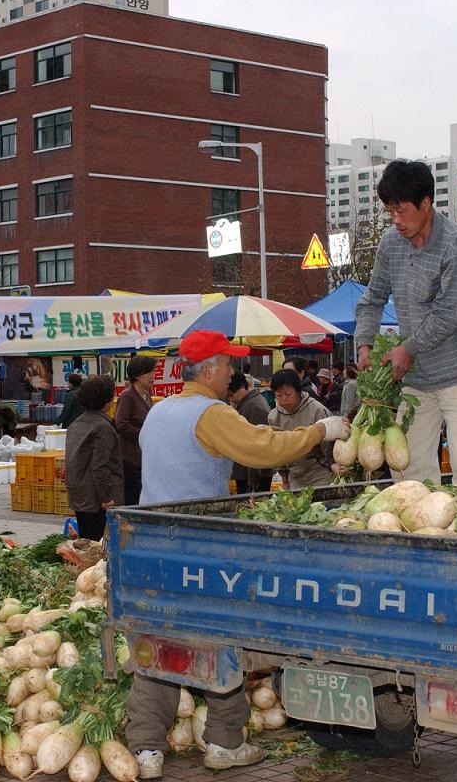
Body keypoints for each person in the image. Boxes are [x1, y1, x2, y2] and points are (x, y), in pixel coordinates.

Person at [127, 330, 350, 778]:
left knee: (158, 642)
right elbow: (264, 448)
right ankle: (225, 744)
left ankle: (146, 749)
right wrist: (321, 430)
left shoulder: (158, 411)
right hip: (201, 546)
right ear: (208, 368)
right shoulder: (211, 413)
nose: (233, 371)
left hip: (150, 544)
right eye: (228, 363)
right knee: (218, 641)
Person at [354, 158, 457, 486]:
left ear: (425, 203)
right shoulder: (390, 243)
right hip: (417, 381)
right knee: (407, 470)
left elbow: (449, 315)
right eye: (390, 211)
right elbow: (372, 299)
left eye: (401, 210)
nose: (395, 220)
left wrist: (407, 348)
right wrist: (364, 343)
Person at [64, 375, 123, 540]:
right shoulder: (102, 427)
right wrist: (107, 497)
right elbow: (100, 465)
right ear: (106, 399)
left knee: (86, 541)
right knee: (98, 546)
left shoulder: (77, 423)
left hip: (80, 494)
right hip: (97, 498)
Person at [268, 369, 335, 489]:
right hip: (296, 478)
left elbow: (330, 446)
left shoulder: (317, 410)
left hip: (320, 474)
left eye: (288, 394)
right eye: (279, 395)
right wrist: (285, 481)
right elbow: (278, 451)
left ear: (298, 392)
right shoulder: (273, 417)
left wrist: (333, 465)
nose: (283, 399)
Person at [114, 355, 156, 506]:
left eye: (153, 371)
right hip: (129, 458)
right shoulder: (127, 397)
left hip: (143, 456)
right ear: (137, 375)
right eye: (148, 373)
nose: (153, 376)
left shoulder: (147, 395)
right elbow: (121, 424)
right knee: (132, 499)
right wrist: (143, 435)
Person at [227, 371, 274, 494]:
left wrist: (254, 478)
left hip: (253, 475)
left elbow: (257, 444)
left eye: (232, 394)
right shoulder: (247, 403)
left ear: (243, 387)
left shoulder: (255, 406)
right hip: (246, 471)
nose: (230, 398)